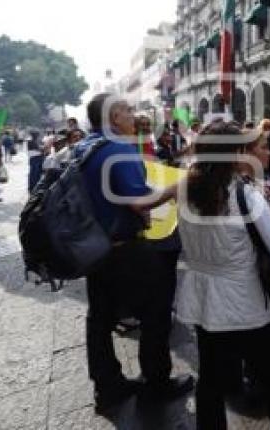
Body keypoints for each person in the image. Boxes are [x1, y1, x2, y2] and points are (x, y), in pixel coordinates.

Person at [172, 122, 270, 430]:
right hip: (246, 303)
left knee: (210, 380)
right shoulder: (244, 195)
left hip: (205, 300)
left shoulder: (184, 190)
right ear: (235, 154)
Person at [75, 93, 193, 413]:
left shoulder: (83, 147)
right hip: (125, 249)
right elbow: (139, 203)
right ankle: (156, 384)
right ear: (114, 118)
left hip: (93, 248)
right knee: (156, 314)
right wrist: (175, 188)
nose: (134, 115)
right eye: (128, 110)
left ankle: (107, 386)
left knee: (98, 319)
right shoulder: (118, 150)